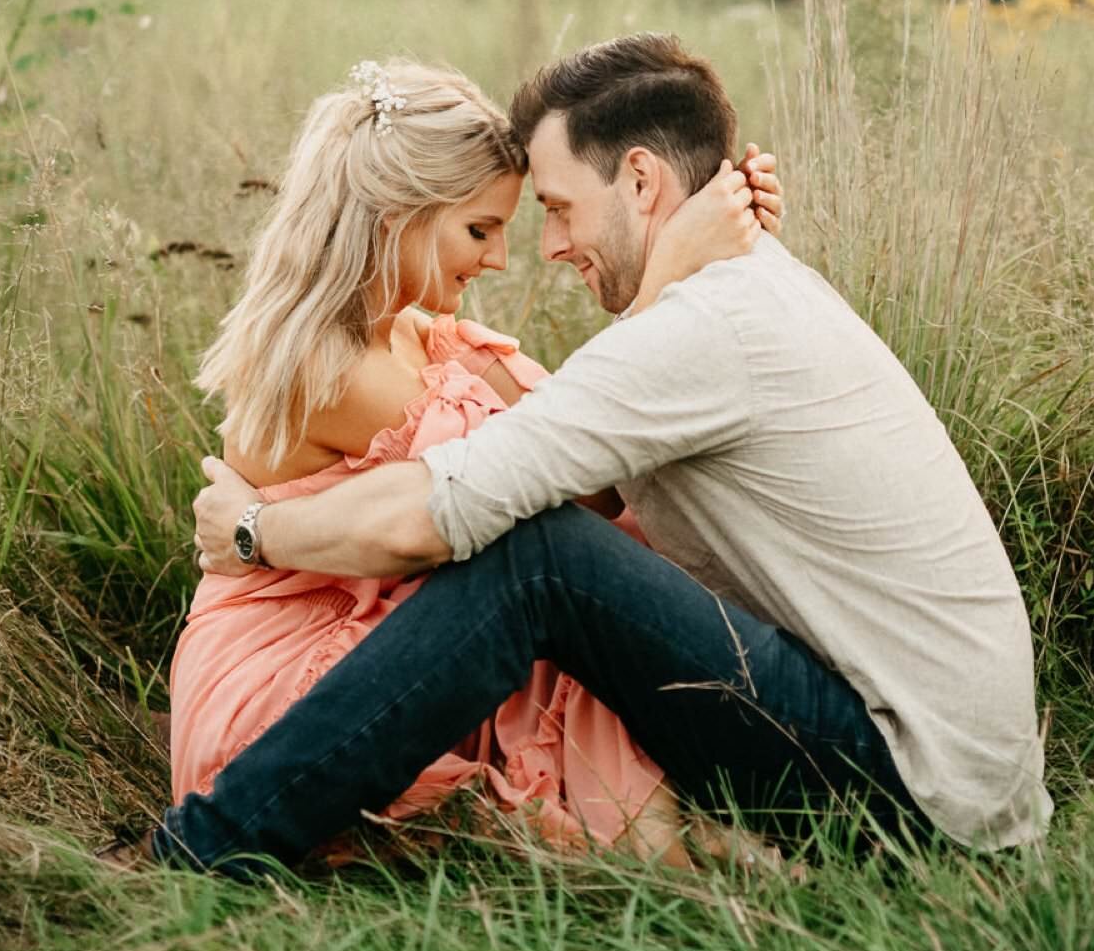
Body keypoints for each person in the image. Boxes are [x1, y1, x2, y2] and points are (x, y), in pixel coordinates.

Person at [153, 34, 1050, 876]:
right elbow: (588, 450)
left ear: (642, 180)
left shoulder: (704, 329)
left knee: (542, 561)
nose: (544, 249)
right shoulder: (737, 294)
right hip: (936, 768)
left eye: (557, 209)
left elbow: (440, 512)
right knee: (556, 552)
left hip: (917, 796)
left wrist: (253, 529)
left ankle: (204, 848)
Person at [166, 57, 785, 866]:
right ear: (397, 216)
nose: (497, 260)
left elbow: (596, 472)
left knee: (568, 571)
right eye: (479, 230)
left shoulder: (424, 339)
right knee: (547, 567)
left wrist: (692, 234)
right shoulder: (332, 372)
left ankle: (676, 818)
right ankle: (663, 839)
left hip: (387, 631)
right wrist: (672, 274)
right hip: (304, 686)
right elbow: (560, 481)